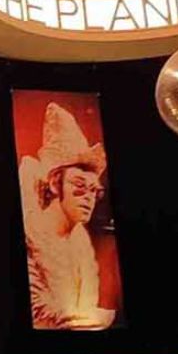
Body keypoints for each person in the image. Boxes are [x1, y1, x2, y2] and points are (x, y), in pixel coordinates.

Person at [20, 100, 116, 329]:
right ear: (55, 184)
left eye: (94, 191)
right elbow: (39, 312)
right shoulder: (31, 236)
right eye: (79, 186)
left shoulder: (80, 242)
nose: (88, 198)